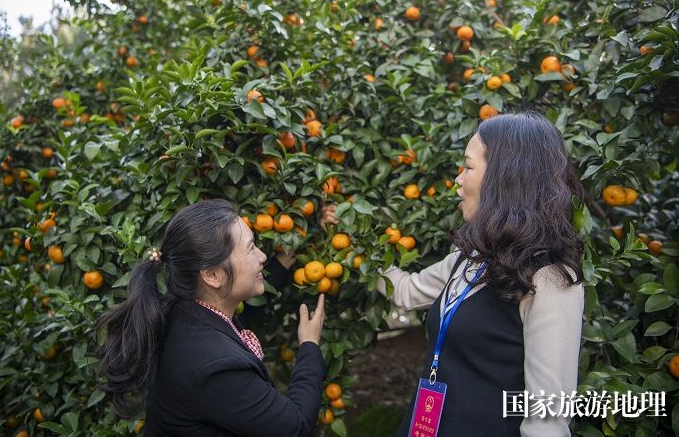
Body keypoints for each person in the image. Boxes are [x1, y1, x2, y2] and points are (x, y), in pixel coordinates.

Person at [378, 112, 585, 436]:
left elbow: (547, 420)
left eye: (469, 167)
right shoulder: (470, 257)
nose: (459, 180)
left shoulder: (549, 281)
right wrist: (357, 248)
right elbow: (405, 291)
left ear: (506, 178)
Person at [96, 199, 326, 436]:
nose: (262, 256)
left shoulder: (184, 313)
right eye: (250, 248)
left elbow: (241, 320)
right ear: (212, 275)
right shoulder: (216, 369)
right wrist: (309, 346)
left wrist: (295, 249)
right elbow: (295, 426)